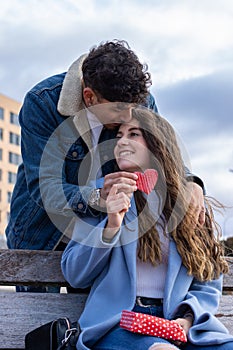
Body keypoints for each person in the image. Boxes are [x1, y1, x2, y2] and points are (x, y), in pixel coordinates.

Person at [5, 40, 204, 292]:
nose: (129, 117)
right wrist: (98, 195)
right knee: (38, 325)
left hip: (98, 239)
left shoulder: (137, 102)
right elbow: (45, 188)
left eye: (134, 109)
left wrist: (190, 182)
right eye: (120, 111)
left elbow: (161, 151)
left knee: (89, 323)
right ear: (90, 97)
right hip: (42, 235)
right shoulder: (42, 103)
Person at [61, 107, 233, 350]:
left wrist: (187, 318)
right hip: (118, 325)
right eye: (119, 135)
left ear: (157, 143)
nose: (121, 141)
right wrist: (111, 226)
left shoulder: (189, 203)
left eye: (133, 134)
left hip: (179, 323)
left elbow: (208, 280)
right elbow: (75, 274)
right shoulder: (101, 193)